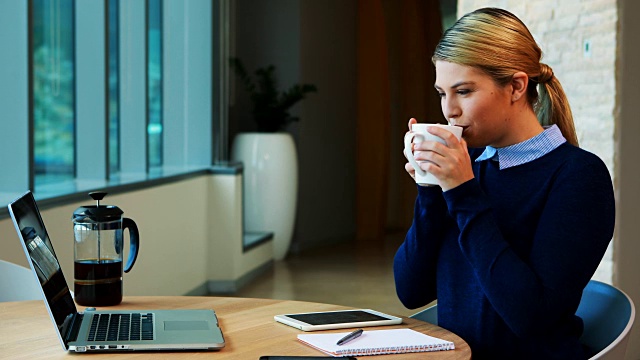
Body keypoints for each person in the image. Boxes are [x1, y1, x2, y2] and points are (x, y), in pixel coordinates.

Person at [393, 7, 615, 360]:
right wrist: (431, 187)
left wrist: (462, 192)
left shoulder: (579, 177)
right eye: (441, 93)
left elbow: (529, 317)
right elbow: (410, 290)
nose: (449, 110)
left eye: (463, 91)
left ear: (515, 86)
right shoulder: (469, 169)